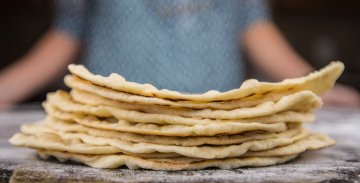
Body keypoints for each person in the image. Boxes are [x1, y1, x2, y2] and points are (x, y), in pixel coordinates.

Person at [0, 0, 359, 108]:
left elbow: (255, 29)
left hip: (219, 122)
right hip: (113, 121)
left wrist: (315, 86)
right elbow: (65, 37)